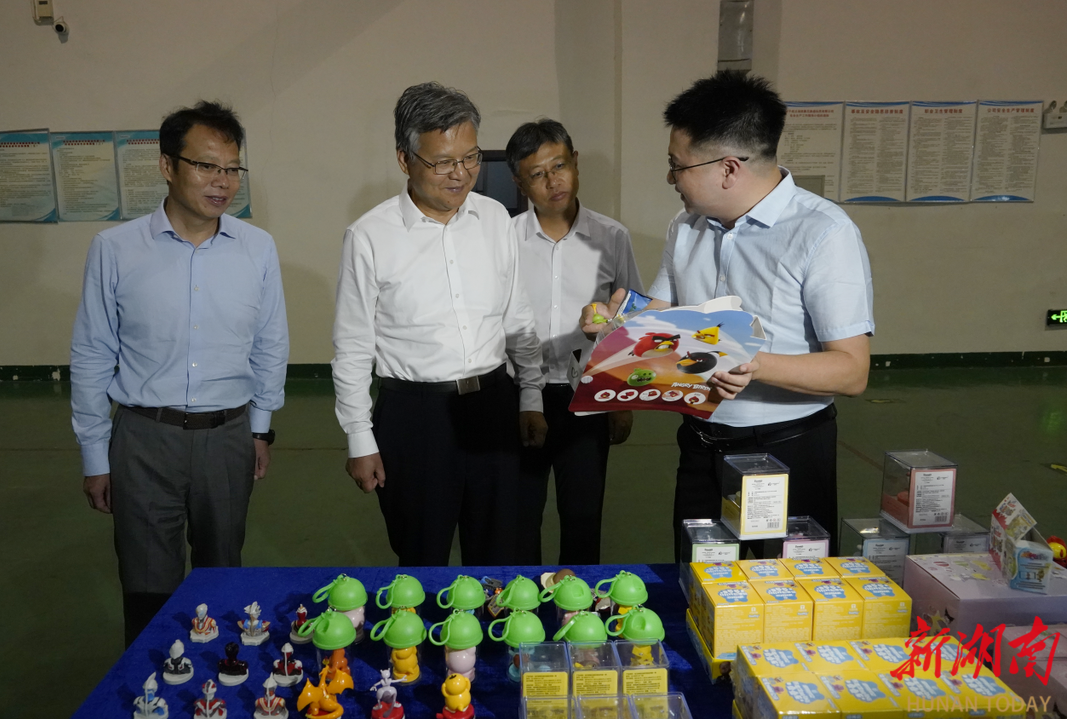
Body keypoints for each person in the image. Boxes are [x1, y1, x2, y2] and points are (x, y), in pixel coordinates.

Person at [582, 71, 873, 557]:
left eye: (677, 166)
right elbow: (663, 313)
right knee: (698, 579)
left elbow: (852, 370)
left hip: (785, 450)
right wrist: (619, 320)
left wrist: (753, 364)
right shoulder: (686, 226)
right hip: (700, 440)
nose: (670, 178)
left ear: (728, 168)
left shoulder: (823, 233)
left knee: (785, 590)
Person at [70, 100, 289, 645]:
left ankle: (221, 676)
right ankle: (151, 680)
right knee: (148, 587)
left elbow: (270, 344)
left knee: (223, 578)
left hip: (228, 438)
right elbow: (92, 353)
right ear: (168, 166)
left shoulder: (257, 249)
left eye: (232, 169)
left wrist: (260, 429)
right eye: (206, 165)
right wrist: (96, 456)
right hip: (144, 440)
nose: (222, 182)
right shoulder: (115, 249)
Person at [332, 82, 546, 567]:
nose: (461, 174)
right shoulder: (369, 237)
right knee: (421, 555)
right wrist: (360, 438)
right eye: (442, 162)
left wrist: (530, 397)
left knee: (498, 555)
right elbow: (353, 347)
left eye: (470, 158)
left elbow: (517, 316)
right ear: (405, 159)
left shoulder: (495, 219)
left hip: (493, 406)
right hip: (415, 418)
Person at [505, 119, 644, 565]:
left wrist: (621, 398)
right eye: (537, 174)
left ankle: (578, 602)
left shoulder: (611, 237)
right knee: (519, 517)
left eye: (560, 166)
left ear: (576, 162)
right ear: (520, 183)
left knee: (583, 515)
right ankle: (520, 598)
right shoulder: (505, 240)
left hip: (586, 397)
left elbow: (629, 319)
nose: (553, 182)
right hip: (517, 396)